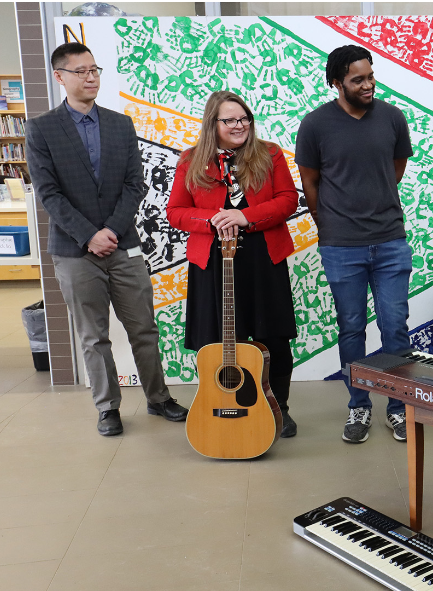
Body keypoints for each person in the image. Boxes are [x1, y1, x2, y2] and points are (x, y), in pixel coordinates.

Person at [26, 42, 188, 437]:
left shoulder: (120, 124)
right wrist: (89, 235)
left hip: (124, 245)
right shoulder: (42, 128)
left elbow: (135, 184)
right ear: (59, 76)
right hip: (74, 251)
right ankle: (108, 407)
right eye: (80, 71)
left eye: (94, 69)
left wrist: (111, 231)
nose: (91, 76)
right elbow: (49, 193)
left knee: (144, 329)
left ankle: (158, 396)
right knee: (93, 336)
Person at [296, 45, 414, 444]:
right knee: (351, 328)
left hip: (390, 241)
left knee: (395, 328)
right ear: (337, 82)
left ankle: (398, 409)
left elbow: (393, 170)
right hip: (341, 246)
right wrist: (328, 224)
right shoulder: (315, 125)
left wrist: (372, 201)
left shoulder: (392, 118)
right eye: (357, 80)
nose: (368, 85)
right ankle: (359, 406)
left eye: (371, 76)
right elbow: (310, 181)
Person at [167, 91, 299, 438]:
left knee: (274, 338)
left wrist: (244, 216)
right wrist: (213, 219)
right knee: (220, 342)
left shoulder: (269, 154)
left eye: (244, 119)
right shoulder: (191, 160)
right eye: (230, 120)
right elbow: (176, 212)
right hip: (212, 263)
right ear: (214, 124)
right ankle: (234, 408)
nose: (240, 125)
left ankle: (277, 408)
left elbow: (288, 200)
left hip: (263, 258)